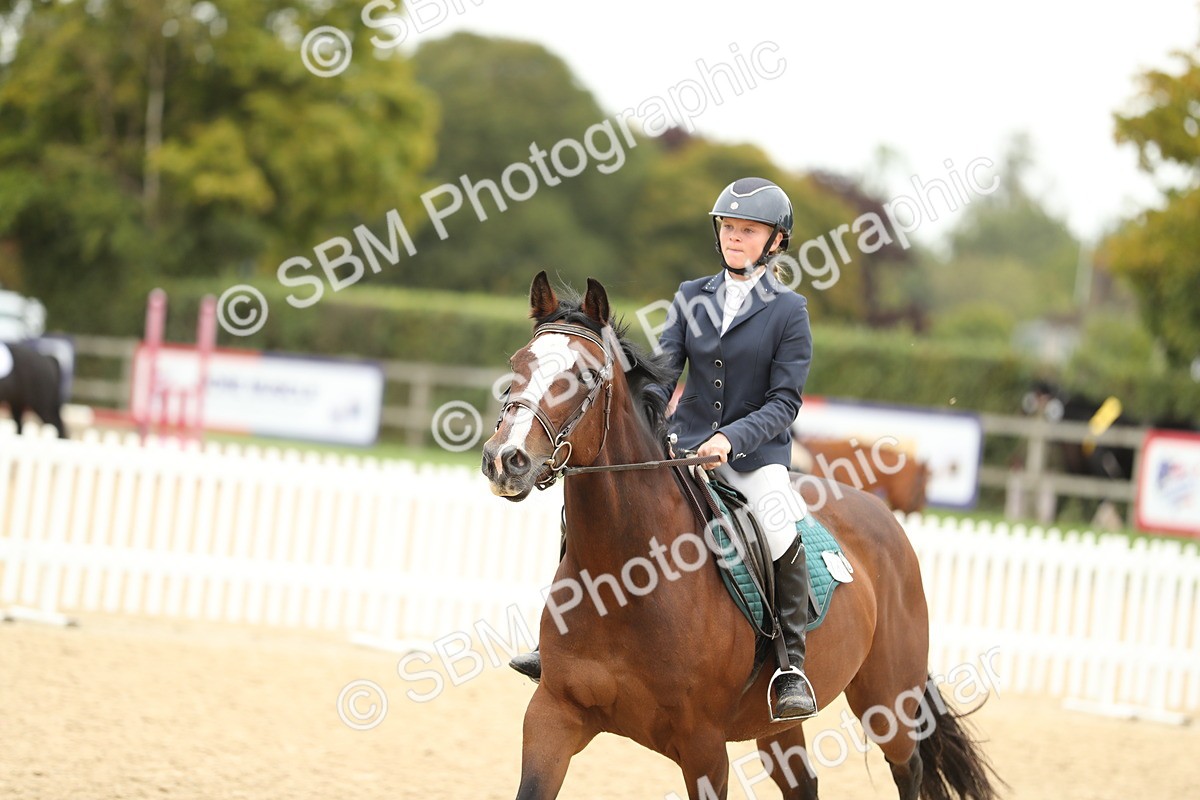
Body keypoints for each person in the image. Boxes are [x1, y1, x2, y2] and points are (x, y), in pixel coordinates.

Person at [510, 177, 817, 721]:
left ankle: (790, 663)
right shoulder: (691, 295)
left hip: (753, 455)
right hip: (683, 445)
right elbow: (662, 372)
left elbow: (784, 403)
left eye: (748, 231)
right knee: (588, 503)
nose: (734, 239)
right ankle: (562, 635)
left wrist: (732, 438)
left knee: (778, 522)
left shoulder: (789, 311)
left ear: (775, 242)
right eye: (728, 229)